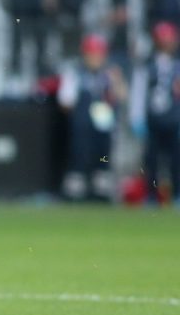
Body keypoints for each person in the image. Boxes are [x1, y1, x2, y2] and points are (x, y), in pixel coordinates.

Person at [58, 34, 127, 201]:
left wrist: (117, 80)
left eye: (98, 54)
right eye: (92, 54)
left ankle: (101, 186)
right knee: (80, 150)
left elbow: (122, 96)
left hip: (103, 120)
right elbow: (66, 101)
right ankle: (76, 185)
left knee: (103, 151)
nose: (96, 59)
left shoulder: (110, 73)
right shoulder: (75, 72)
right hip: (82, 120)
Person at [130, 22, 180, 205]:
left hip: (174, 120)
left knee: (176, 159)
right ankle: (151, 195)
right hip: (153, 120)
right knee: (151, 160)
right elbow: (138, 93)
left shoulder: (177, 66)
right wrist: (137, 118)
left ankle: (176, 194)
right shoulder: (146, 66)